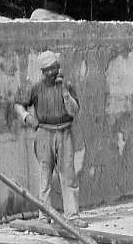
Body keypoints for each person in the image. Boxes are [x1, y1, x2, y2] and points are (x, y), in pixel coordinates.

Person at [14, 50, 82, 218]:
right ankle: (45, 216)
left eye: (53, 68)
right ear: (42, 72)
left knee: (68, 175)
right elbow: (18, 105)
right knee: (45, 177)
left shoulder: (68, 85)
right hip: (44, 133)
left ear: (58, 67)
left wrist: (65, 92)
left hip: (65, 132)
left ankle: (72, 215)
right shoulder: (36, 88)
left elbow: (74, 111)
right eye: (47, 70)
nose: (51, 73)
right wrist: (27, 117)